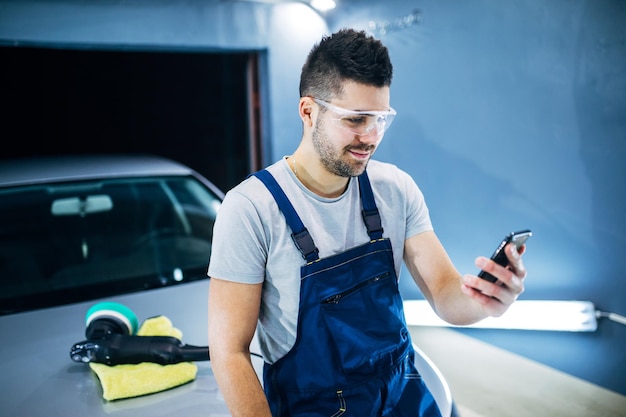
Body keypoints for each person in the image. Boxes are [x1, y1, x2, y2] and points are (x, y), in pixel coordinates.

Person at [207, 28, 527, 417]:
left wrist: (485, 301)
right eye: (355, 120)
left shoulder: (396, 188)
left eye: (380, 120)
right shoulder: (249, 209)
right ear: (308, 111)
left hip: (402, 398)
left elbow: (446, 296)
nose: (371, 137)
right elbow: (229, 350)